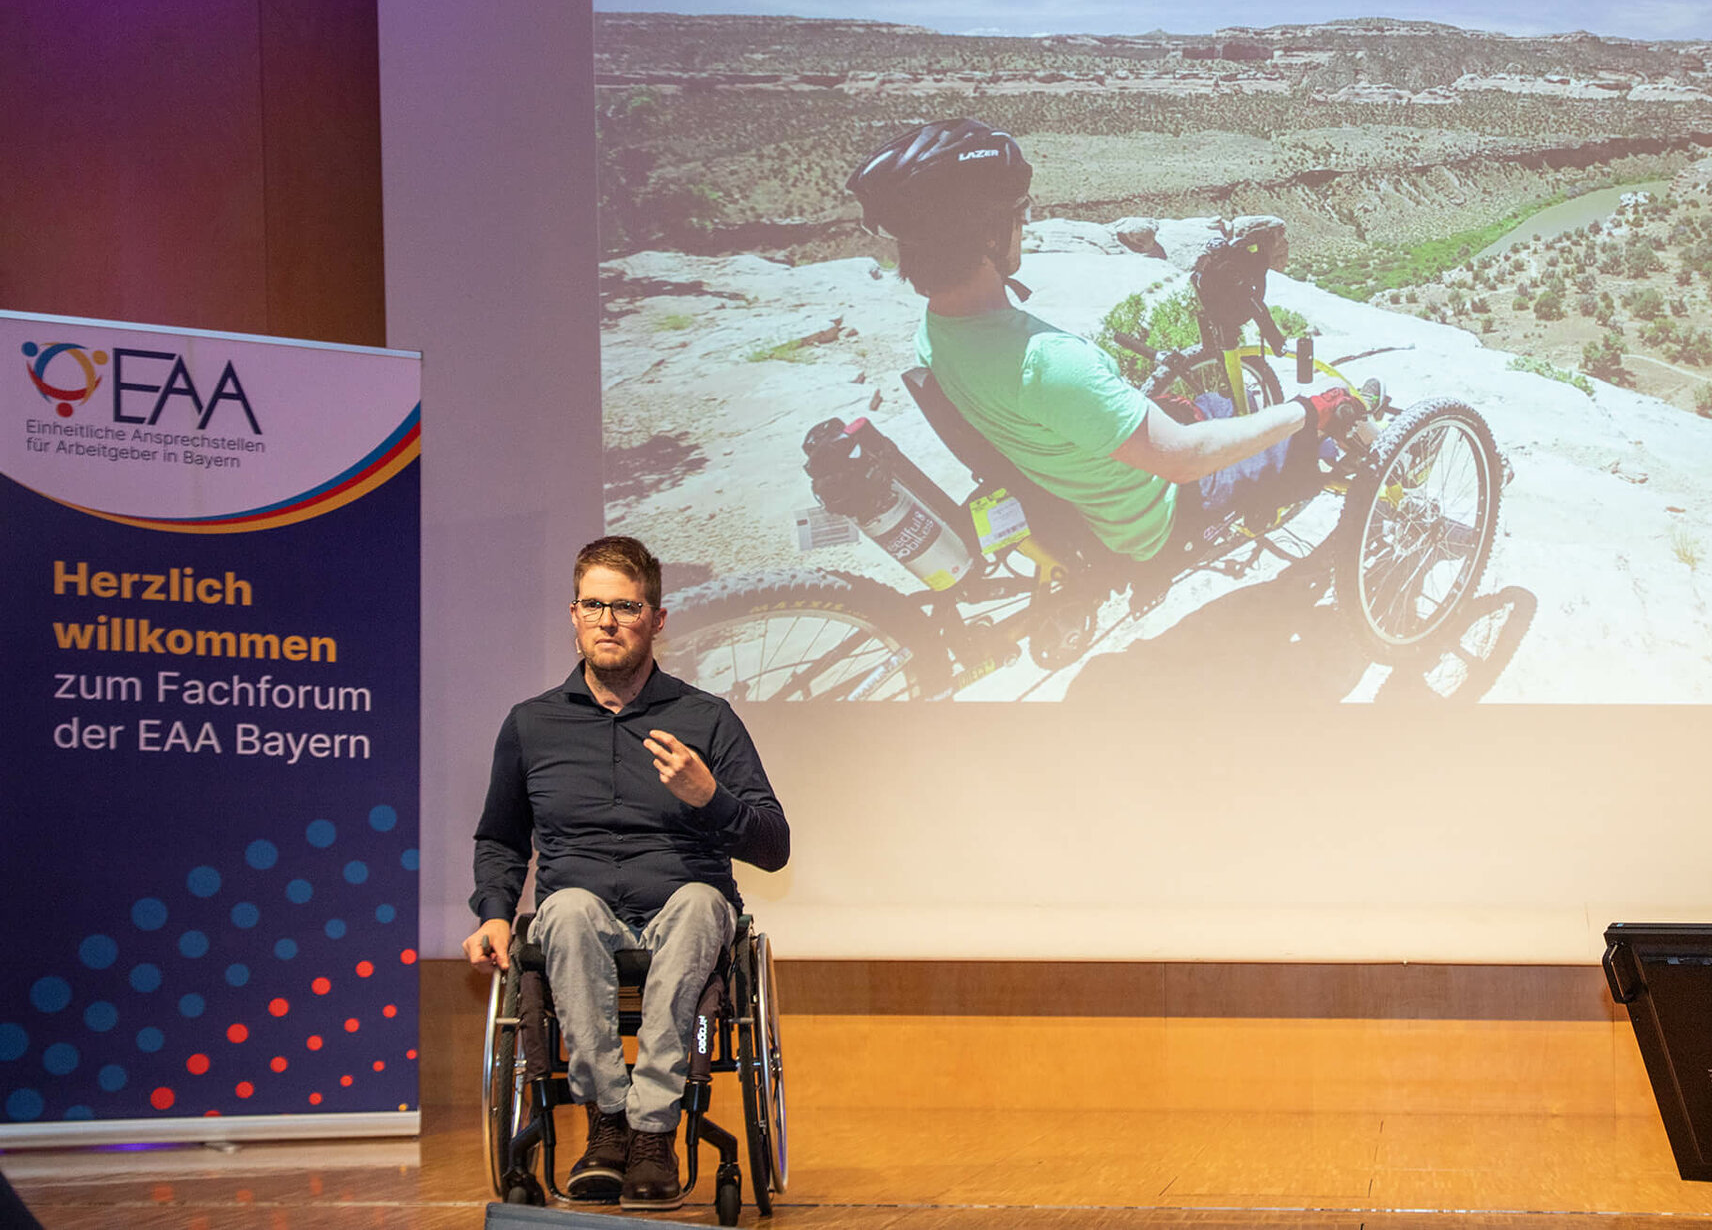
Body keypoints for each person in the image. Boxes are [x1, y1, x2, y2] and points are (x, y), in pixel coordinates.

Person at [845, 117, 1372, 565]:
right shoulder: (1047, 362)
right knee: (1319, 417)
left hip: (1087, 493)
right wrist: (1309, 408)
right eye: (1019, 215)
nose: (1023, 227)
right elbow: (1185, 459)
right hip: (1157, 519)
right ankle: (1377, 461)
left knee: (1220, 406)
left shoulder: (938, 332)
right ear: (987, 235)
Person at [464, 536, 789, 1210]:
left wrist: (712, 797)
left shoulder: (706, 719)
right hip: (580, 917)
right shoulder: (532, 724)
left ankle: (651, 1132)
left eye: (626, 605)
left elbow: (774, 844)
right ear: (573, 614)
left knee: (703, 903)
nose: (608, 620)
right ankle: (608, 1125)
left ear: (658, 619)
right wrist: (494, 911)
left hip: (683, 911)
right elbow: (500, 836)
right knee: (567, 910)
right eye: (594, 604)